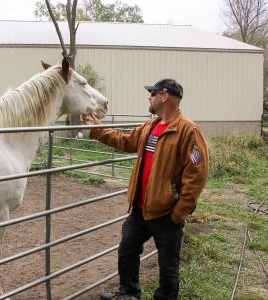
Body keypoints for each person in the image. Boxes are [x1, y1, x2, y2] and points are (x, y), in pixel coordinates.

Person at [82, 79, 209, 300]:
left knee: (168, 265)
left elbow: (196, 175)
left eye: (152, 93)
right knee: (127, 251)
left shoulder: (188, 131)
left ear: (165, 96)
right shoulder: (150, 126)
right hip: (141, 208)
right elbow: (124, 140)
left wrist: (179, 212)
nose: (149, 97)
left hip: (167, 212)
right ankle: (128, 294)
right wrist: (97, 130)